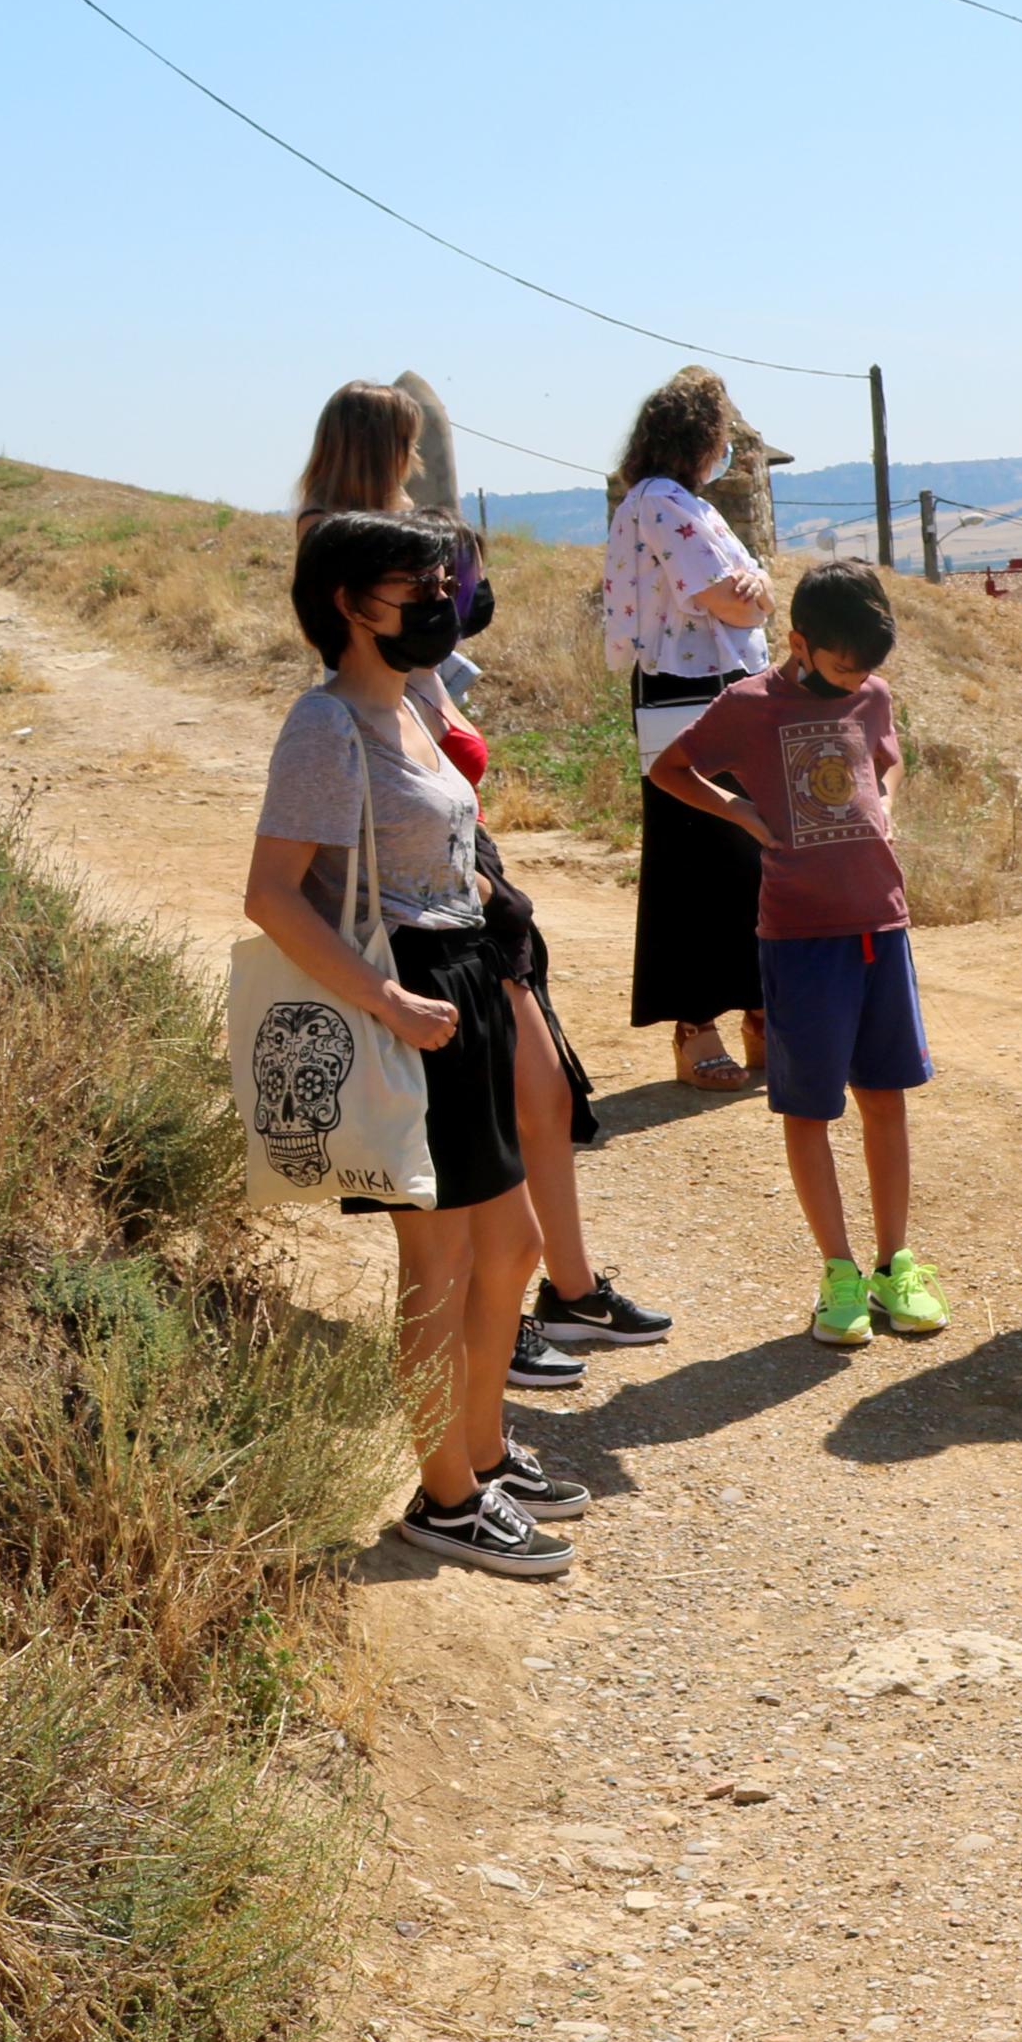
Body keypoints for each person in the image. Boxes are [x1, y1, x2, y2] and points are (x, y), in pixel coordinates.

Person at [291, 383, 676, 1391]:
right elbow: (274, 883)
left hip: (454, 852)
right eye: (406, 448)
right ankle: (483, 1376)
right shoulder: (348, 574)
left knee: (535, 1096)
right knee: (486, 1150)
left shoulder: (393, 555)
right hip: (421, 898)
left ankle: (549, 1301)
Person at [245, 510, 586, 1577]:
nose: (439, 606)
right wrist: (386, 1001)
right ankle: (446, 1496)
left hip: (464, 982)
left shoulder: (404, 707)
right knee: (438, 1267)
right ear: (350, 604)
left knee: (515, 1248)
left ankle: (479, 1452)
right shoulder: (325, 724)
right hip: (410, 1002)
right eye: (415, 590)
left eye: (443, 586)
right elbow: (271, 894)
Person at [644, 559, 950, 1349]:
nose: (857, 680)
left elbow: (888, 754)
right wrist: (741, 813)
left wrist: (887, 798)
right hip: (800, 936)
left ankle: (895, 1263)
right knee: (810, 1105)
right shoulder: (747, 705)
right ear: (800, 642)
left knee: (887, 1095)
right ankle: (838, 1271)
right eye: (843, 666)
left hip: (880, 926)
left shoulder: (871, 693)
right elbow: (669, 767)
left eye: (867, 669)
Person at [605, 369, 776, 1093]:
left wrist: (756, 591)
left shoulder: (684, 503)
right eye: (722, 437)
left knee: (744, 857)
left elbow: (758, 593)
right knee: (697, 861)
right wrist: (753, 593)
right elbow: (730, 600)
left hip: (713, 688)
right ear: (699, 438)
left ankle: (761, 1011)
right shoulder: (660, 503)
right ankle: (696, 1025)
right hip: (687, 690)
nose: (727, 449)